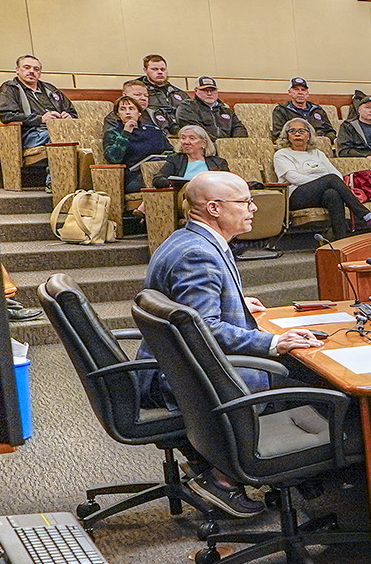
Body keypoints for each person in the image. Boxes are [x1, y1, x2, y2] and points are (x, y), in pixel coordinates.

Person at [137, 170, 324, 518]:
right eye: (245, 202)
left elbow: (192, 312)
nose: (253, 208)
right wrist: (273, 342)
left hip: (174, 367)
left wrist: (234, 302)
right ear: (213, 208)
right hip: (186, 381)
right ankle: (232, 475)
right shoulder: (199, 255)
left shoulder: (189, 240)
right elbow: (203, 330)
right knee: (309, 376)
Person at [274, 118, 371, 235]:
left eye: (301, 131)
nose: (297, 134)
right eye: (292, 131)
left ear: (309, 135)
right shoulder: (282, 154)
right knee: (330, 180)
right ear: (287, 136)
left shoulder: (317, 153)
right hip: (295, 196)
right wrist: (323, 182)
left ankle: (340, 240)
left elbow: (337, 174)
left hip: (320, 193)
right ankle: (367, 216)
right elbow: (293, 178)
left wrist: (323, 184)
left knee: (332, 194)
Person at [0, 55, 77, 186]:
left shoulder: (50, 89)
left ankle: (81, 182)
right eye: (27, 67)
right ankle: (56, 183)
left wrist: (69, 116)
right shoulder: (9, 89)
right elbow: (7, 116)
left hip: (59, 128)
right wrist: (40, 119)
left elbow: (72, 111)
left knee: (79, 136)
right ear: (17, 70)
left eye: (36, 69)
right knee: (58, 136)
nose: (32, 71)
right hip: (30, 134)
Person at [102, 95, 169, 191]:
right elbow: (113, 158)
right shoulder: (113, 133)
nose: (127, 112)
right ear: (118, 114)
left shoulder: (153, 131)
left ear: (139, 113)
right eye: (123, 109)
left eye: (131, 108)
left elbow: (170, 151)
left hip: (158, 172)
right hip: (134, 177)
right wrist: (125, 133)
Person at [172, 76, 247, 141]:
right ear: (196, 91)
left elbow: (239, 128)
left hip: (227, 147)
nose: (209, 93)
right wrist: (216, 143)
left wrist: (235, 142)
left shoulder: (225, 109)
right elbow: (196, 131)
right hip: (204, 147)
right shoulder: (187, 107)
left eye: (212, 90)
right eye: (204, 90)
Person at [158, 125, 227, 184]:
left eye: (192, 138)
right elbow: (158, 179)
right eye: (183, 138)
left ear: (204, 143)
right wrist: (174, 183)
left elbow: (228, 182)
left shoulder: (218, 163)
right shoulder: (175, 160)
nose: (186, 142)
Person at [133, 54, 185, 124]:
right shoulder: (136, 90)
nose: (160, 72)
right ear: (145, 70)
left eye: (163, 69)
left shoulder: (178, 92)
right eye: (155, 69)